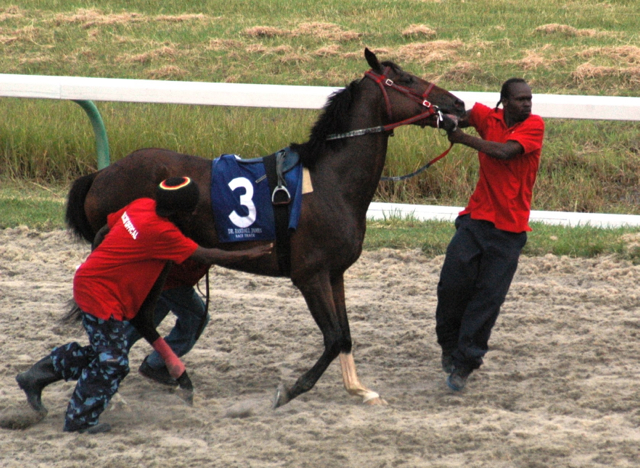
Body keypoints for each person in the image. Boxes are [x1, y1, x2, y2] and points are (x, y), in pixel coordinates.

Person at [16, 177, 272, 433]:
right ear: (177, 212)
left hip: (89, 284)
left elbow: (104, 231)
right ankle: (79, 421)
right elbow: (206, 255)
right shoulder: (163, 232)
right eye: (191, 209)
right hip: (100, 297)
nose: (194, 213)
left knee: (103, 354)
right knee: (113, 363)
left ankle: (36, 376)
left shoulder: (142, 205)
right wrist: (245, 255)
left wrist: (96, 263)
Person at [435, 78, 545, 391]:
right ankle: (449, 347)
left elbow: (505, 152)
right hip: (475, 219)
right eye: (521, 99)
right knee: (451, 286)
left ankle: (464, 365)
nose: (527, 104)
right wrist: (444, 120)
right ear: (504, 102)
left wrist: (463, 139)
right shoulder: (487, 117)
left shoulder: (534, 126)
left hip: (510, 230)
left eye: (529, 99)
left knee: (486, 300)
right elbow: (459, 117)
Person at [123, 259, 210, 387]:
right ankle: (155, 364)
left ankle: (106, 354)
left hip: (159, 272)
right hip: (171, 277)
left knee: (146, 316)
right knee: (197, 318)